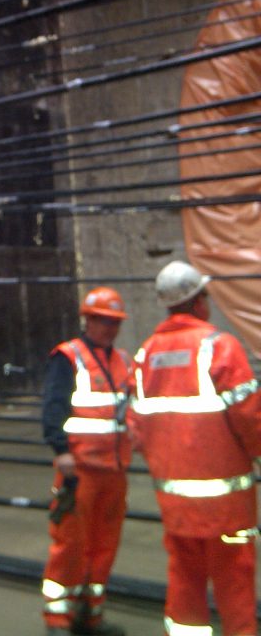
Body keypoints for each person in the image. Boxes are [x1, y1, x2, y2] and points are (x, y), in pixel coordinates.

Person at [128, 260, 261, 636]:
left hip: (175, 503)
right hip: (226, 507)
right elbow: (251, 418)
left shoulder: (146, 355)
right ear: (199, 301)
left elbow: (136, 429)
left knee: (185, 581)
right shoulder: (220, 348)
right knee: (234, 583)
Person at [41, 287, 131, 636]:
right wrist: (60, 449)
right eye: (103, 321)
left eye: (114, 323)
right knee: (70, 545)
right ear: (87, 320)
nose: (109, 328)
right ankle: (58, 620)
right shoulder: (68, 357)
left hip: (114, 470)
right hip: (78, 471)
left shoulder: (122, 360)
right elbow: (53, 406)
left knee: (104, 547)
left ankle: (90, 616)